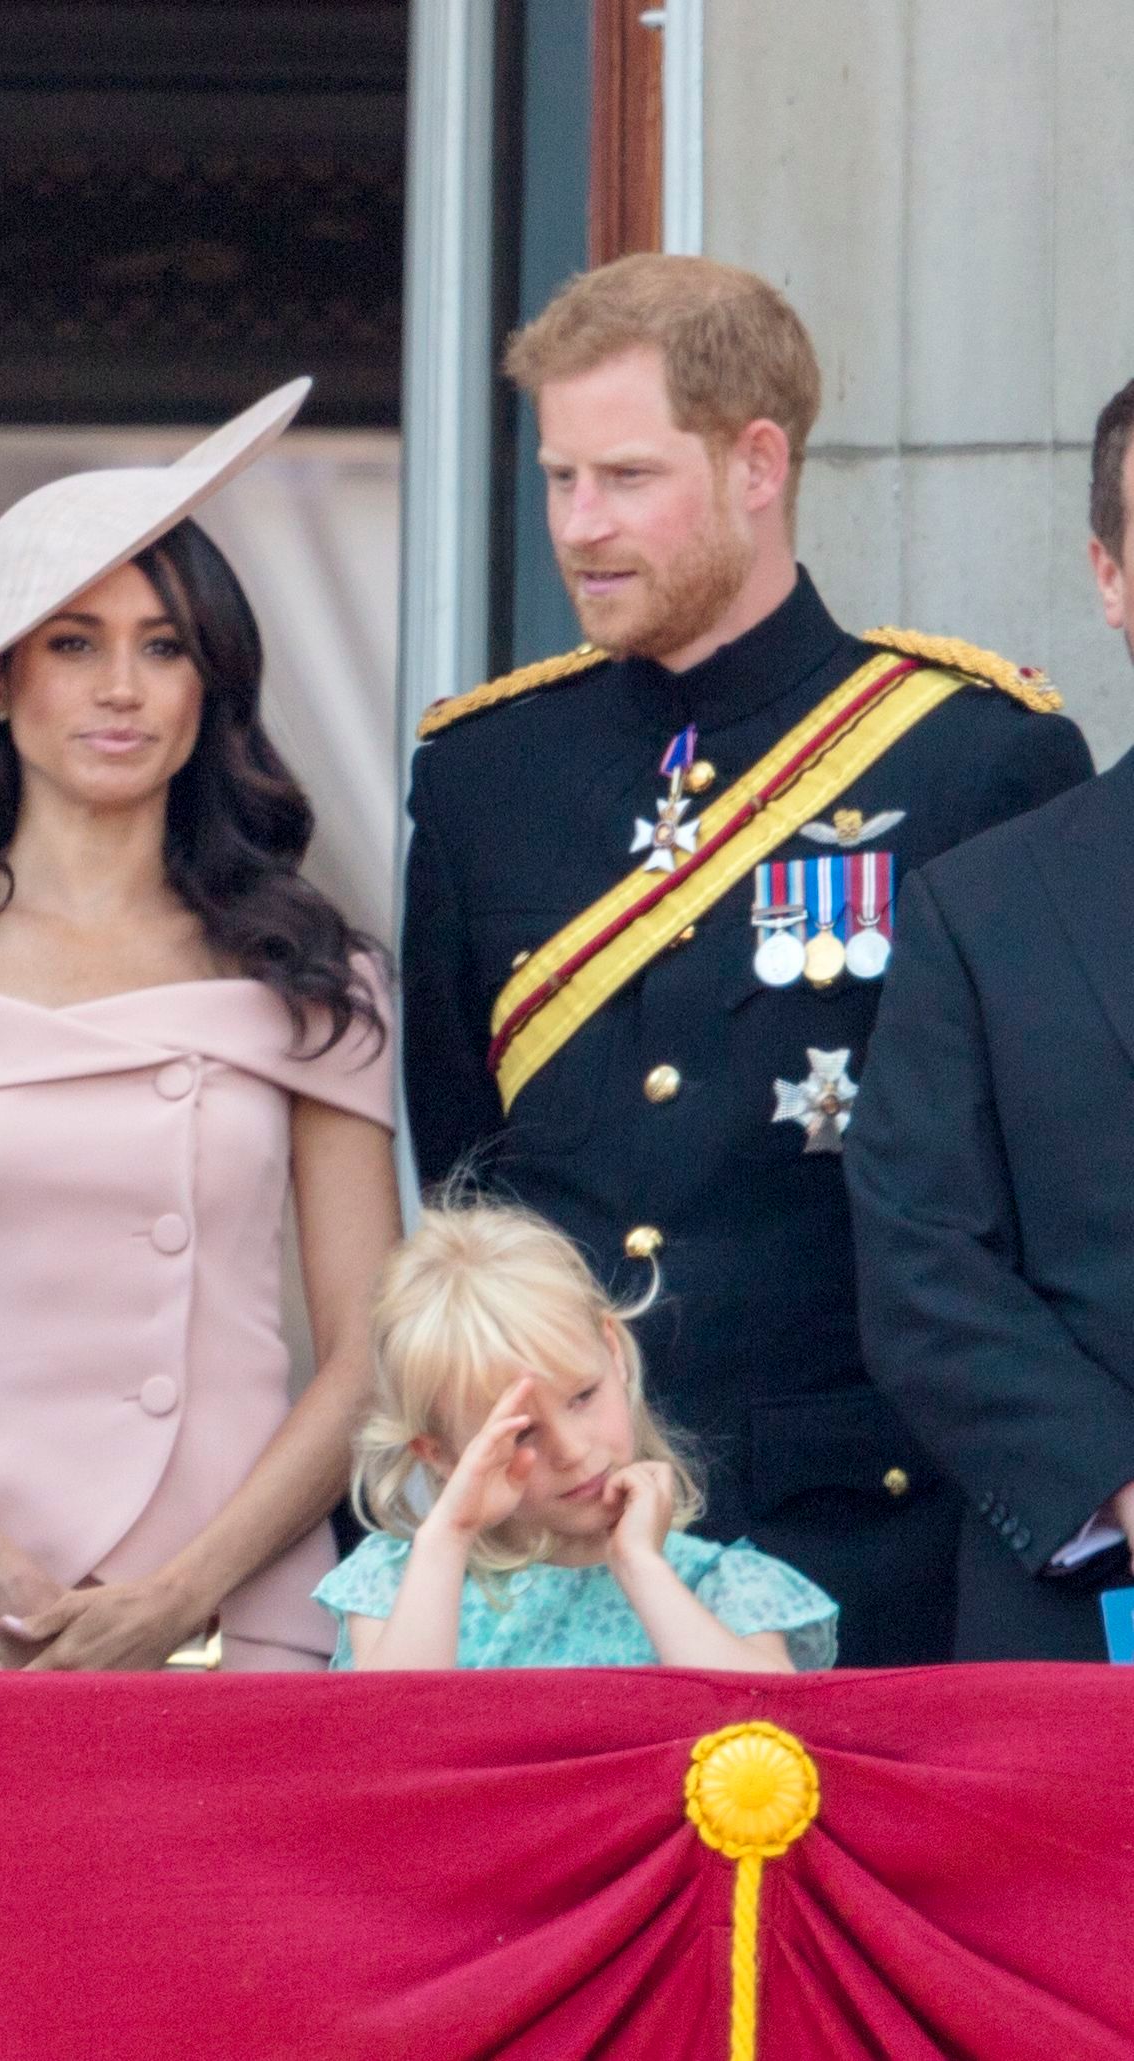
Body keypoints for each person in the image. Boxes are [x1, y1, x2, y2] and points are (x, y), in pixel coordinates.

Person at [400, 254, 1092, 1665]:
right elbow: (464, 1165)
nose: (577, 527)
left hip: (858, 1537)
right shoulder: (481, 774)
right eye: (556, 480)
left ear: (754, 462)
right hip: (555, 1560)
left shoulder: (971, 757)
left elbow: (1029, 1200)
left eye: (625, 478)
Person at [0, 382, 403, 1670]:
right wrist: (2, 1585)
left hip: (232, 1619)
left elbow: (369, 1357)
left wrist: (181, 1599)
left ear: (209, 686)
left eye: (164, 647)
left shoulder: (310, 971)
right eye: (73, 643)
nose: (122, 688)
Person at [845, 380, 1134, 1662]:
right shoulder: (981, 909)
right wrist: (1120, 1488)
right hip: (1087, 1622)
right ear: (1110, 577)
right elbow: (922, 1266)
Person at [318, 1200, 837, 1672]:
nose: (572, 1451)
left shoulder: (719, 1588)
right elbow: (394, 1739)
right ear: (440, 1453)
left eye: (583, 1396)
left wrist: (640, 1567)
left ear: (613, 1349)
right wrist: (448, 1536)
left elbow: (769, 1737)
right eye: (521, 1433)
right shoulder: (399, 1587)